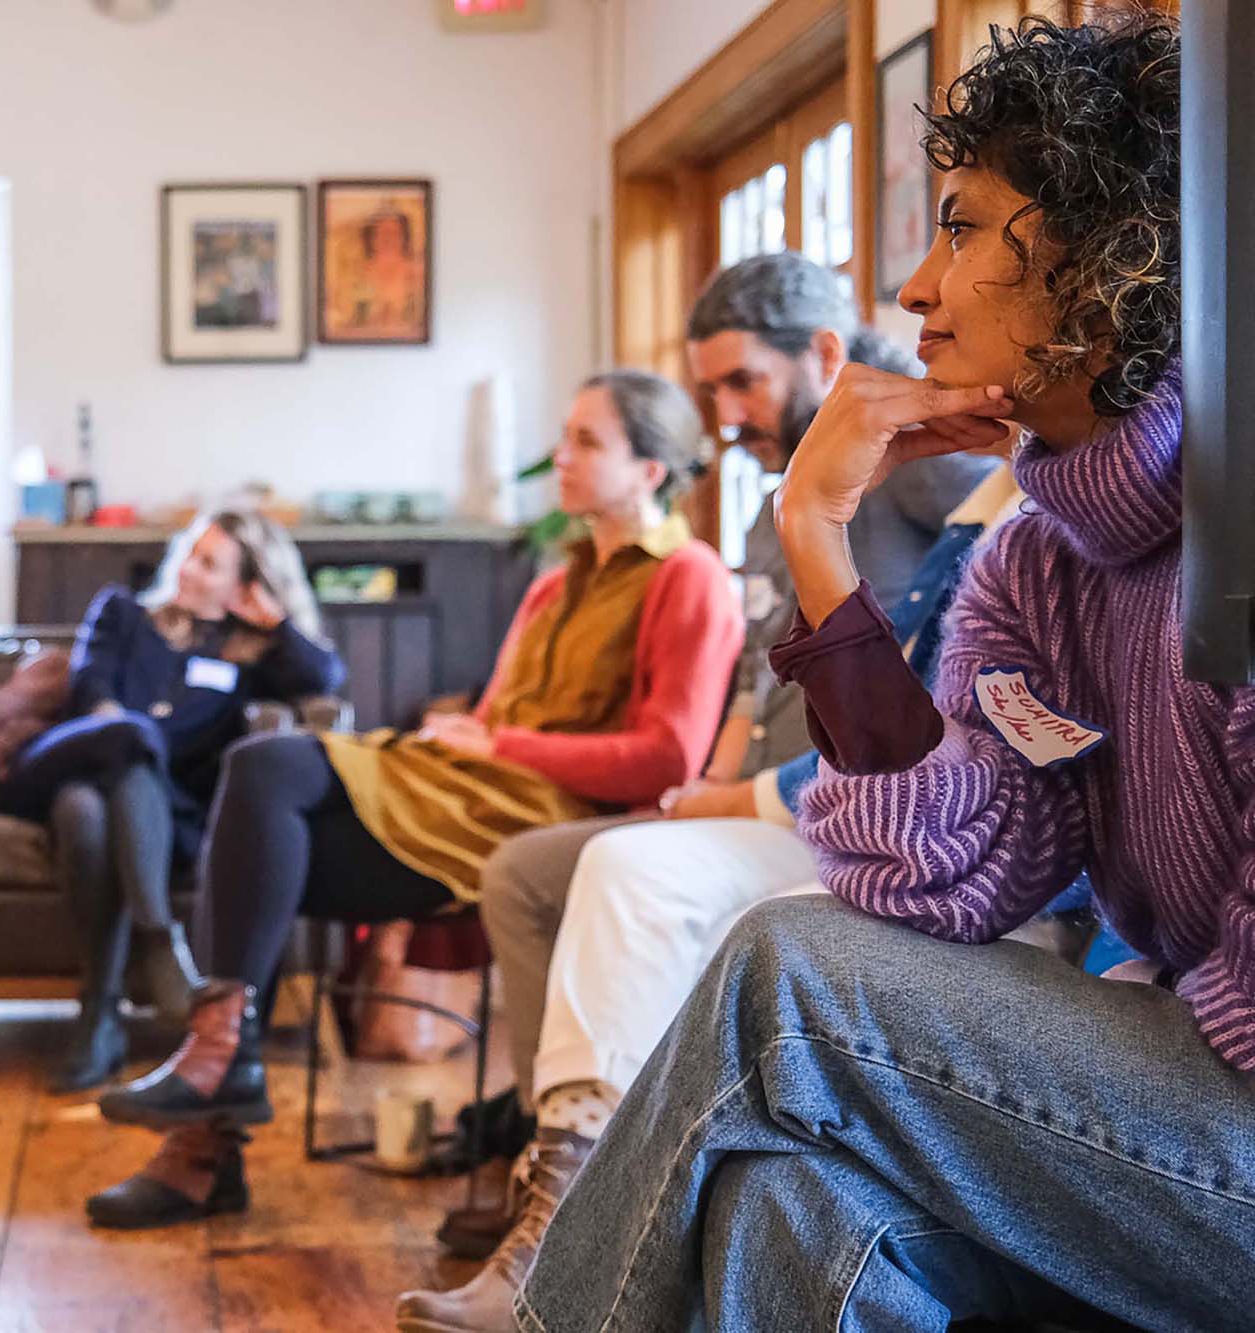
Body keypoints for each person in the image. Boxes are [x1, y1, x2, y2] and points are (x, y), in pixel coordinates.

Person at [520, 16, 1251, 1332]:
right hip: (1186, 1107)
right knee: (792, 1204)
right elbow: (940, 877)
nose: (913, 290)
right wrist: (816, 539)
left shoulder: (1240, 543)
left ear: (1112, 258)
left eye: (961, 228)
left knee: (780, 969)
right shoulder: (1039, 563)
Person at [396, 254, 1004, 1317]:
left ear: (822, 354)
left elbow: (954, 680)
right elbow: (755, 663)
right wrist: (711, 778)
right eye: (710, 389)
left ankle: (572, 1213)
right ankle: (564, 1166)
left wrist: (750, 794)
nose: (720, 415)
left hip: (849, 806)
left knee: (620, 867)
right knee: (550, 869)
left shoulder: (917, 469)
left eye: (739, 384)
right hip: (773, 794)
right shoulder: (797, 484)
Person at [84, 369, 745, 1230]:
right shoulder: (555, 581)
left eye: (588, 440)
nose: (562, 455)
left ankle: (207, 1118)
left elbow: (667, 755)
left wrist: (496, 741)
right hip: (459, 794)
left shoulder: (686, 577)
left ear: (650, 471)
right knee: (256, 820)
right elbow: (496, 713)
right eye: (566, 434)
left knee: (269, 769)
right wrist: (470, 731)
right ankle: (214, 1097)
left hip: (533, 818)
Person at [6, 509, 344, 1091]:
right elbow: (92, 689)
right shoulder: (123, 613)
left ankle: (100, 1017)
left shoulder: (247, 658)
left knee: (87, 812)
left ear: (243, 586)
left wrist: (277, 624)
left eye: (209, 563)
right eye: (190, 552)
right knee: (130, 740)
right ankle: (159, 941)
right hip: (60, 764)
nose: (188, 569)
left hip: (151, 811)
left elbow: (326, 678)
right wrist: (130, 737)